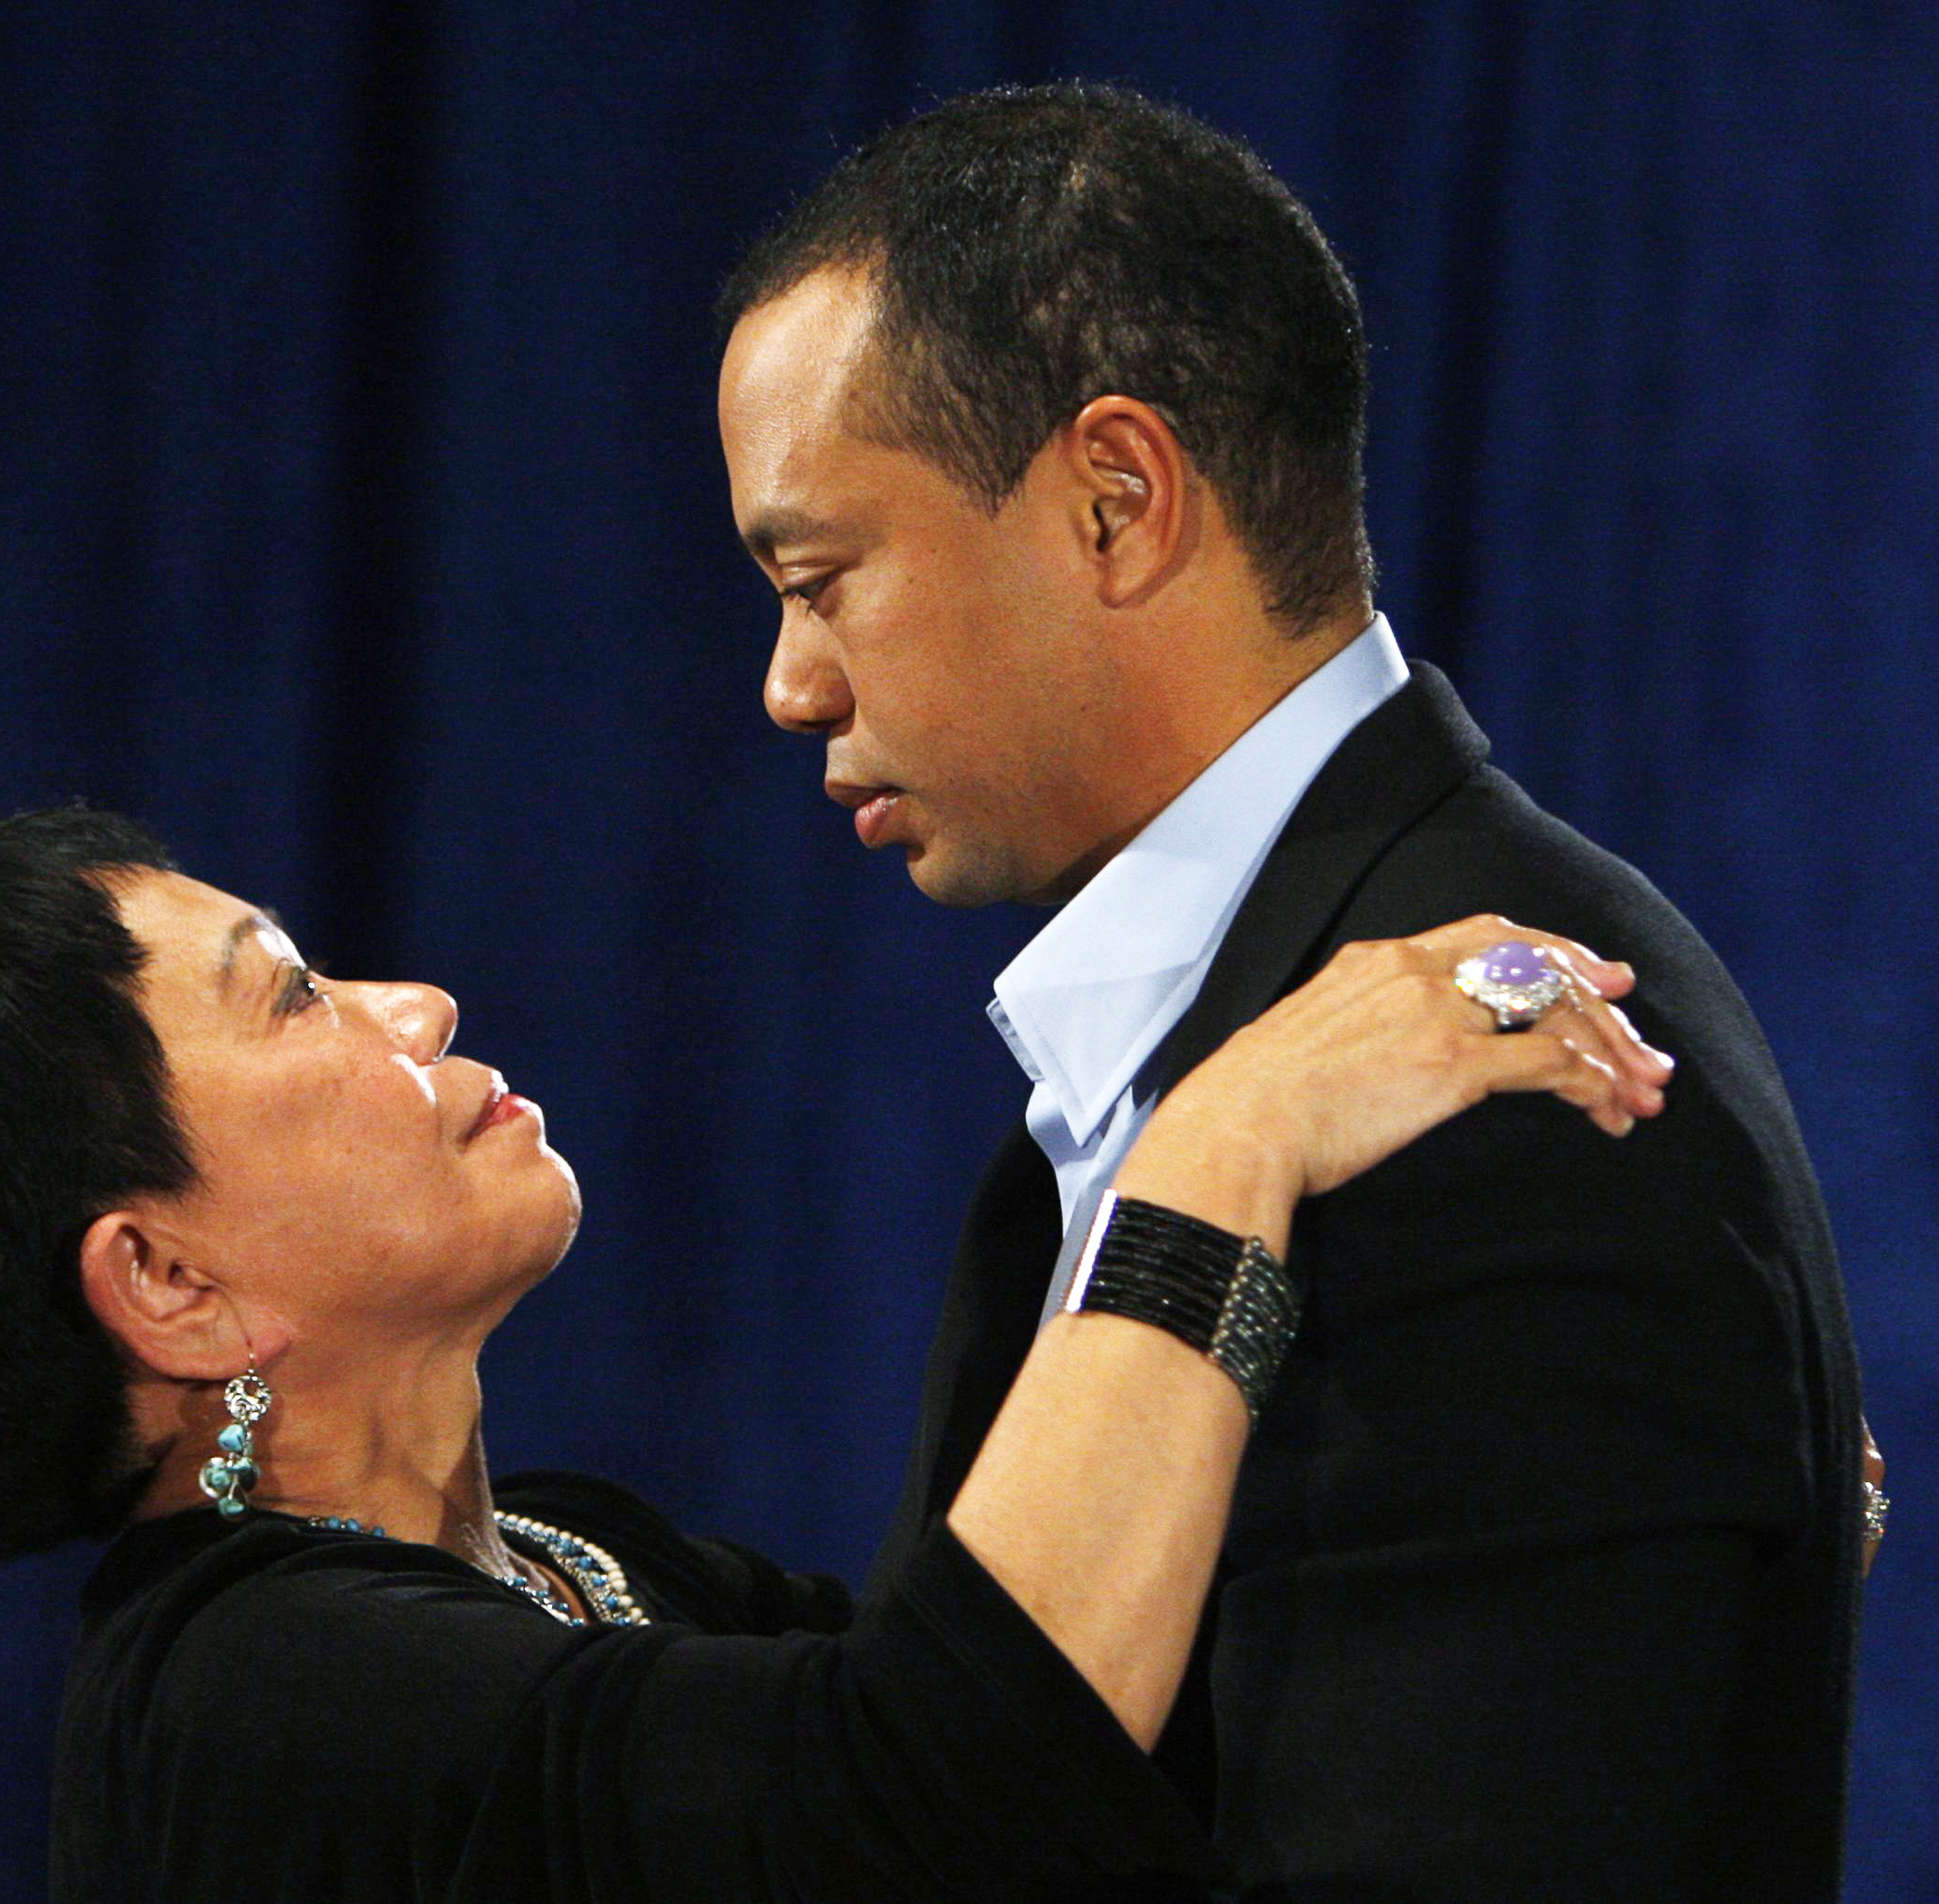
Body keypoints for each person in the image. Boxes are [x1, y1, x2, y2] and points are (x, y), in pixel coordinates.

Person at [0, 805, 1665, 1903]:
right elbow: (949, 1795)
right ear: (172, 1289)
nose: (415, 1005)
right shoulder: (239, 1701)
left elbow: (1119, 1784)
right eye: (288, 1000)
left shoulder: (576, 1563)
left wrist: (1602, 1550)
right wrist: (1230, 1136)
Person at [714, 83, 1870, 1898]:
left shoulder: (1495, 1101)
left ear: (1114, 502)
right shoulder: (1275, 1041)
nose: (790, 683)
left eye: (820, 578)